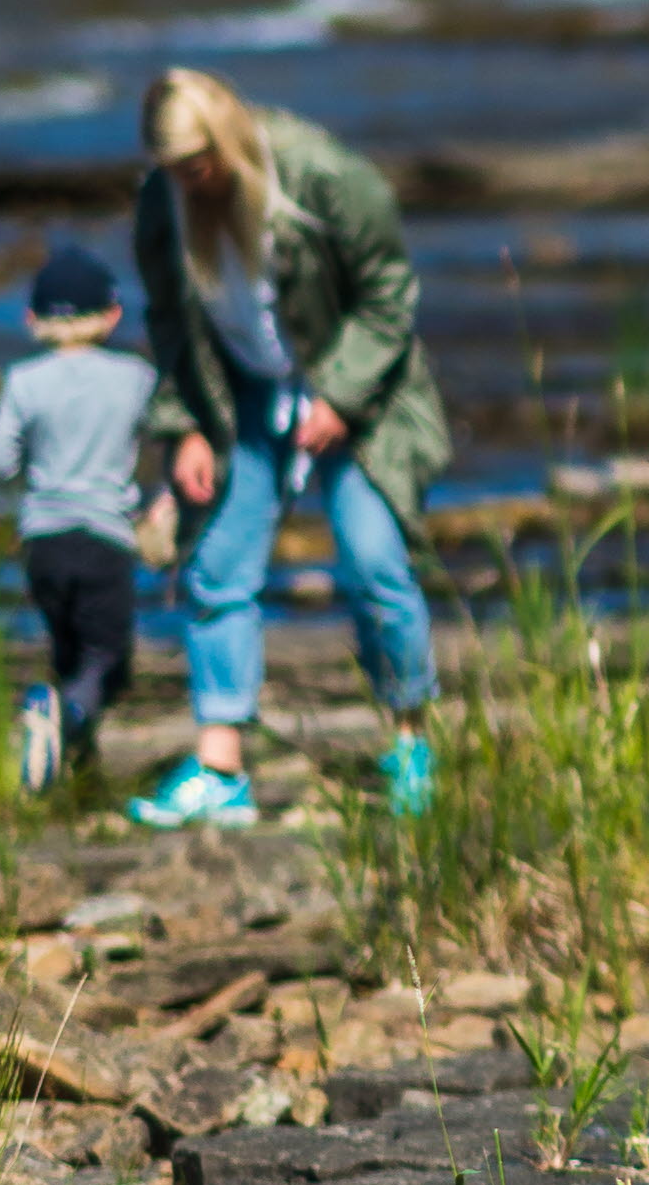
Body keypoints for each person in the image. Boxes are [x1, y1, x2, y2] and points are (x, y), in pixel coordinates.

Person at [124, 69, 447, 829]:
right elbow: (168, 321)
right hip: (241, 400)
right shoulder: (163, 204)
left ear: (225, 141)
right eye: (171, 169)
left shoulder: (322, 174)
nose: (186, 183)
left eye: (196, 165)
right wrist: (185, 426)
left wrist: (340, 393)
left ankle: (410, 742)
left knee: (375, 562)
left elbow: (389, 291)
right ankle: (221, 769)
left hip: (356, 397)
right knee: (216, 567)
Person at [0, 243, 158, 792]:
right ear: (112, 314)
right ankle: (64, 717)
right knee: (108, 660)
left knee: (68, 654)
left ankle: (69, 767)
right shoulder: (135, 376)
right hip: (105, 537)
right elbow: (164, 432)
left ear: (31, 318)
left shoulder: (23, 380)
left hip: (43, 540)